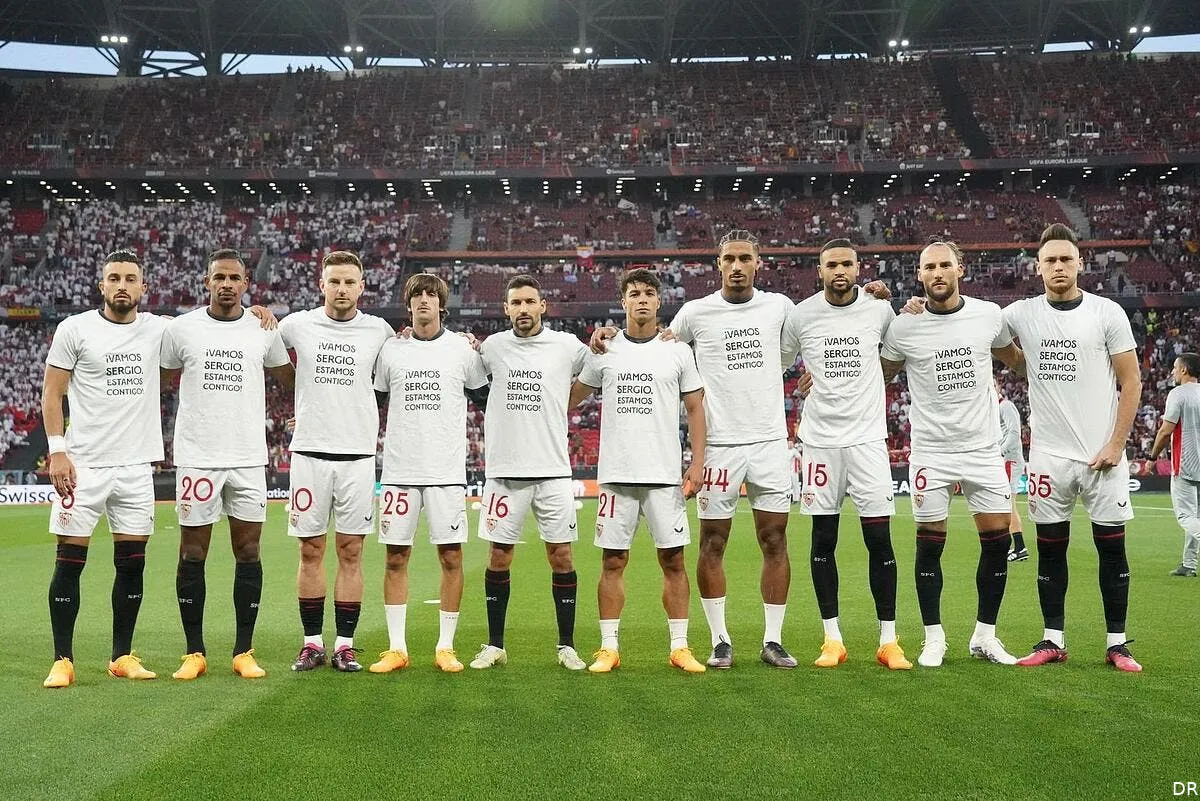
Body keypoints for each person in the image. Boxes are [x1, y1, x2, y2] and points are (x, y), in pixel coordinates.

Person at [1002, 224, 1143, 672]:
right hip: (1049, 457)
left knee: (1112, 550)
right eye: (1051, 260)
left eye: (1066, 259)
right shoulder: (1021, 313)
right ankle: (1053, 639)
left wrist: (1117, 444)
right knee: (1049, 550)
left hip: (1103, 456)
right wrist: (915, 306)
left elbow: (1132, 381)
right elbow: (974, 327)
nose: (1059, 266)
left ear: (1080, 263)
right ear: (1038, 267)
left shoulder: (1106, 313)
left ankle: (1117, 643)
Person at [880, 240, 1026, 668]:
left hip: (983, 450)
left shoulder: (988, 316)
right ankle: (934, 638)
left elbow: (1017, 361)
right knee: (929, 547)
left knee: (997, 543)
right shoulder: (904, 327)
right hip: (932, 452)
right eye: (929, 267)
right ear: (919, 275)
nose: (937, 273)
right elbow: (879, 375)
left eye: (945, 264)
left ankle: (985, 636)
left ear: (960, 268)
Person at [162, 249, 294, 681]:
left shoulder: (263, 328)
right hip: (198, 458)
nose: (226, 284)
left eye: (234, 278)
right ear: (207, 282)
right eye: (218, 277)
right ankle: (194, 652)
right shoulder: (181, 329)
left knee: (249, 551)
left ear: (246, 283)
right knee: (192, 552)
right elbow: (158, 380)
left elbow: (291, 381)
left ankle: (243, 651)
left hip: (248, 458)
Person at [568, 268, 708, 674]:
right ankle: (608, 647)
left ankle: (679, 647)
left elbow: (695, 408)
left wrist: (698, 462)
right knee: (613, 562)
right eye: (634, 293)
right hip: (616, 475)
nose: (642, 299)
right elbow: (572, 398)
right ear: (623, 301)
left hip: (664, 475)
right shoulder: (606, 349)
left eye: (648, 293)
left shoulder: (677, 351)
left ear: (659, 301)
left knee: (674, 561)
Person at [781, 238, 910, 670]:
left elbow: (898, 354)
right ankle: (832, 639)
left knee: (880, 540)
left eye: (846, 264)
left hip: (868, 441)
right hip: (820, 442)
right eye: (831, 265)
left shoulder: (880, 310)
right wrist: (801, 379)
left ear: (859, 268)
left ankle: (888, 640)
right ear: (820, 271)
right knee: (823, 540)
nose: (839, 271)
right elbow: (777, 361)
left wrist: (875, 377)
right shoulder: (801, 315)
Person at [42, 250, 169, 688]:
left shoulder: (158, 329)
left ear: (143, 288)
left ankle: (121, 656)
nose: (122, 285)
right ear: (102, 285)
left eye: (130, 279)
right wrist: (57, 451)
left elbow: (210, 325)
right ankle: (62, 659)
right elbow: (52, 392)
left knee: (132, 565)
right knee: (69, 561)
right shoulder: (74, 329)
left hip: (135, 467)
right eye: (114, 278)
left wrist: (256, 312)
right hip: (84, 465)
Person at [280, 251, 395, 673]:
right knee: (310, 550)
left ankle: (345, 644)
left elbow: (412, 355)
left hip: (357, 457)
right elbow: (263, 351)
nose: (342, 289)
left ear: (362, 286)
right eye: (335, 281)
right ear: (322, 284)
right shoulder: (297, 324)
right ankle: (312, 643)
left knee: (351, 550)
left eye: (349, 282)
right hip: (309, 454)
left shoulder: (379, 330)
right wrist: (257, 313)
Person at [469, 275, 589, 671]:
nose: (523, 309)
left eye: (529, 302)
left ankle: (567, 645)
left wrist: (568, 400)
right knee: (498, 556)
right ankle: (495, 645)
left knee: (562, 555)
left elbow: (600, 364)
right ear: (506, 309)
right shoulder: (492, 347)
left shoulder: (566, 346)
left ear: (542, 306)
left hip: (553, 471)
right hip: (504, 472)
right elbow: (464, 370)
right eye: (516, 303)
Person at [371, 273, 489, 673]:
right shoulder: (391, 350)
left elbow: (487, 398)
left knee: (451, 557)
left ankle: (445, 646)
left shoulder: (462, 350)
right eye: (417, 295)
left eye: (431, 294)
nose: (424, 300)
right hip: (400, 472)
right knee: (395, 558)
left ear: (441, 303)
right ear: (408, 305)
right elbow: (371, 402)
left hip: (446, 473)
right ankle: (397, 648)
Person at [1149, 352, 1200, 578]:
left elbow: (1166, 430)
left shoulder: (1178, 394)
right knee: (1196, 517)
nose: (1172, 372)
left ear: (1184, 370)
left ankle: (1189, 564)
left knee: (1185, 516)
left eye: (1175, 367)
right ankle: (1189, 564)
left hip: (1185, 463)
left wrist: (1152, 457)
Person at [997, 378, 1030, 562]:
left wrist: (1000, 451)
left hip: (1009, 460)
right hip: (1004, 460)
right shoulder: (994, 408)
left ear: (998, 388)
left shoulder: (1006, 406)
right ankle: (1014, 545)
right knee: (1003, 504)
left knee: (1008, 504)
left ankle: (1020, 547)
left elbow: (1014, 432)